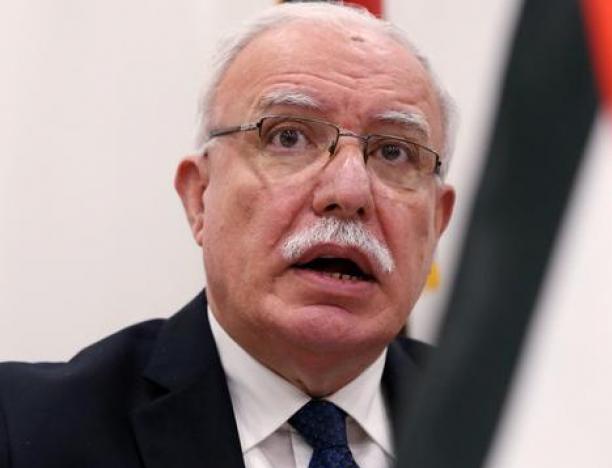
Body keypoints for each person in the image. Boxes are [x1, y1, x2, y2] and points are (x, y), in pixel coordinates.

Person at [0, 3, 455, 467]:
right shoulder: (21, 430)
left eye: (395, 151)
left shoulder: (494, 422)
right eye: (289, 137)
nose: (349, 191)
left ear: (438, 222)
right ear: (199, 196)